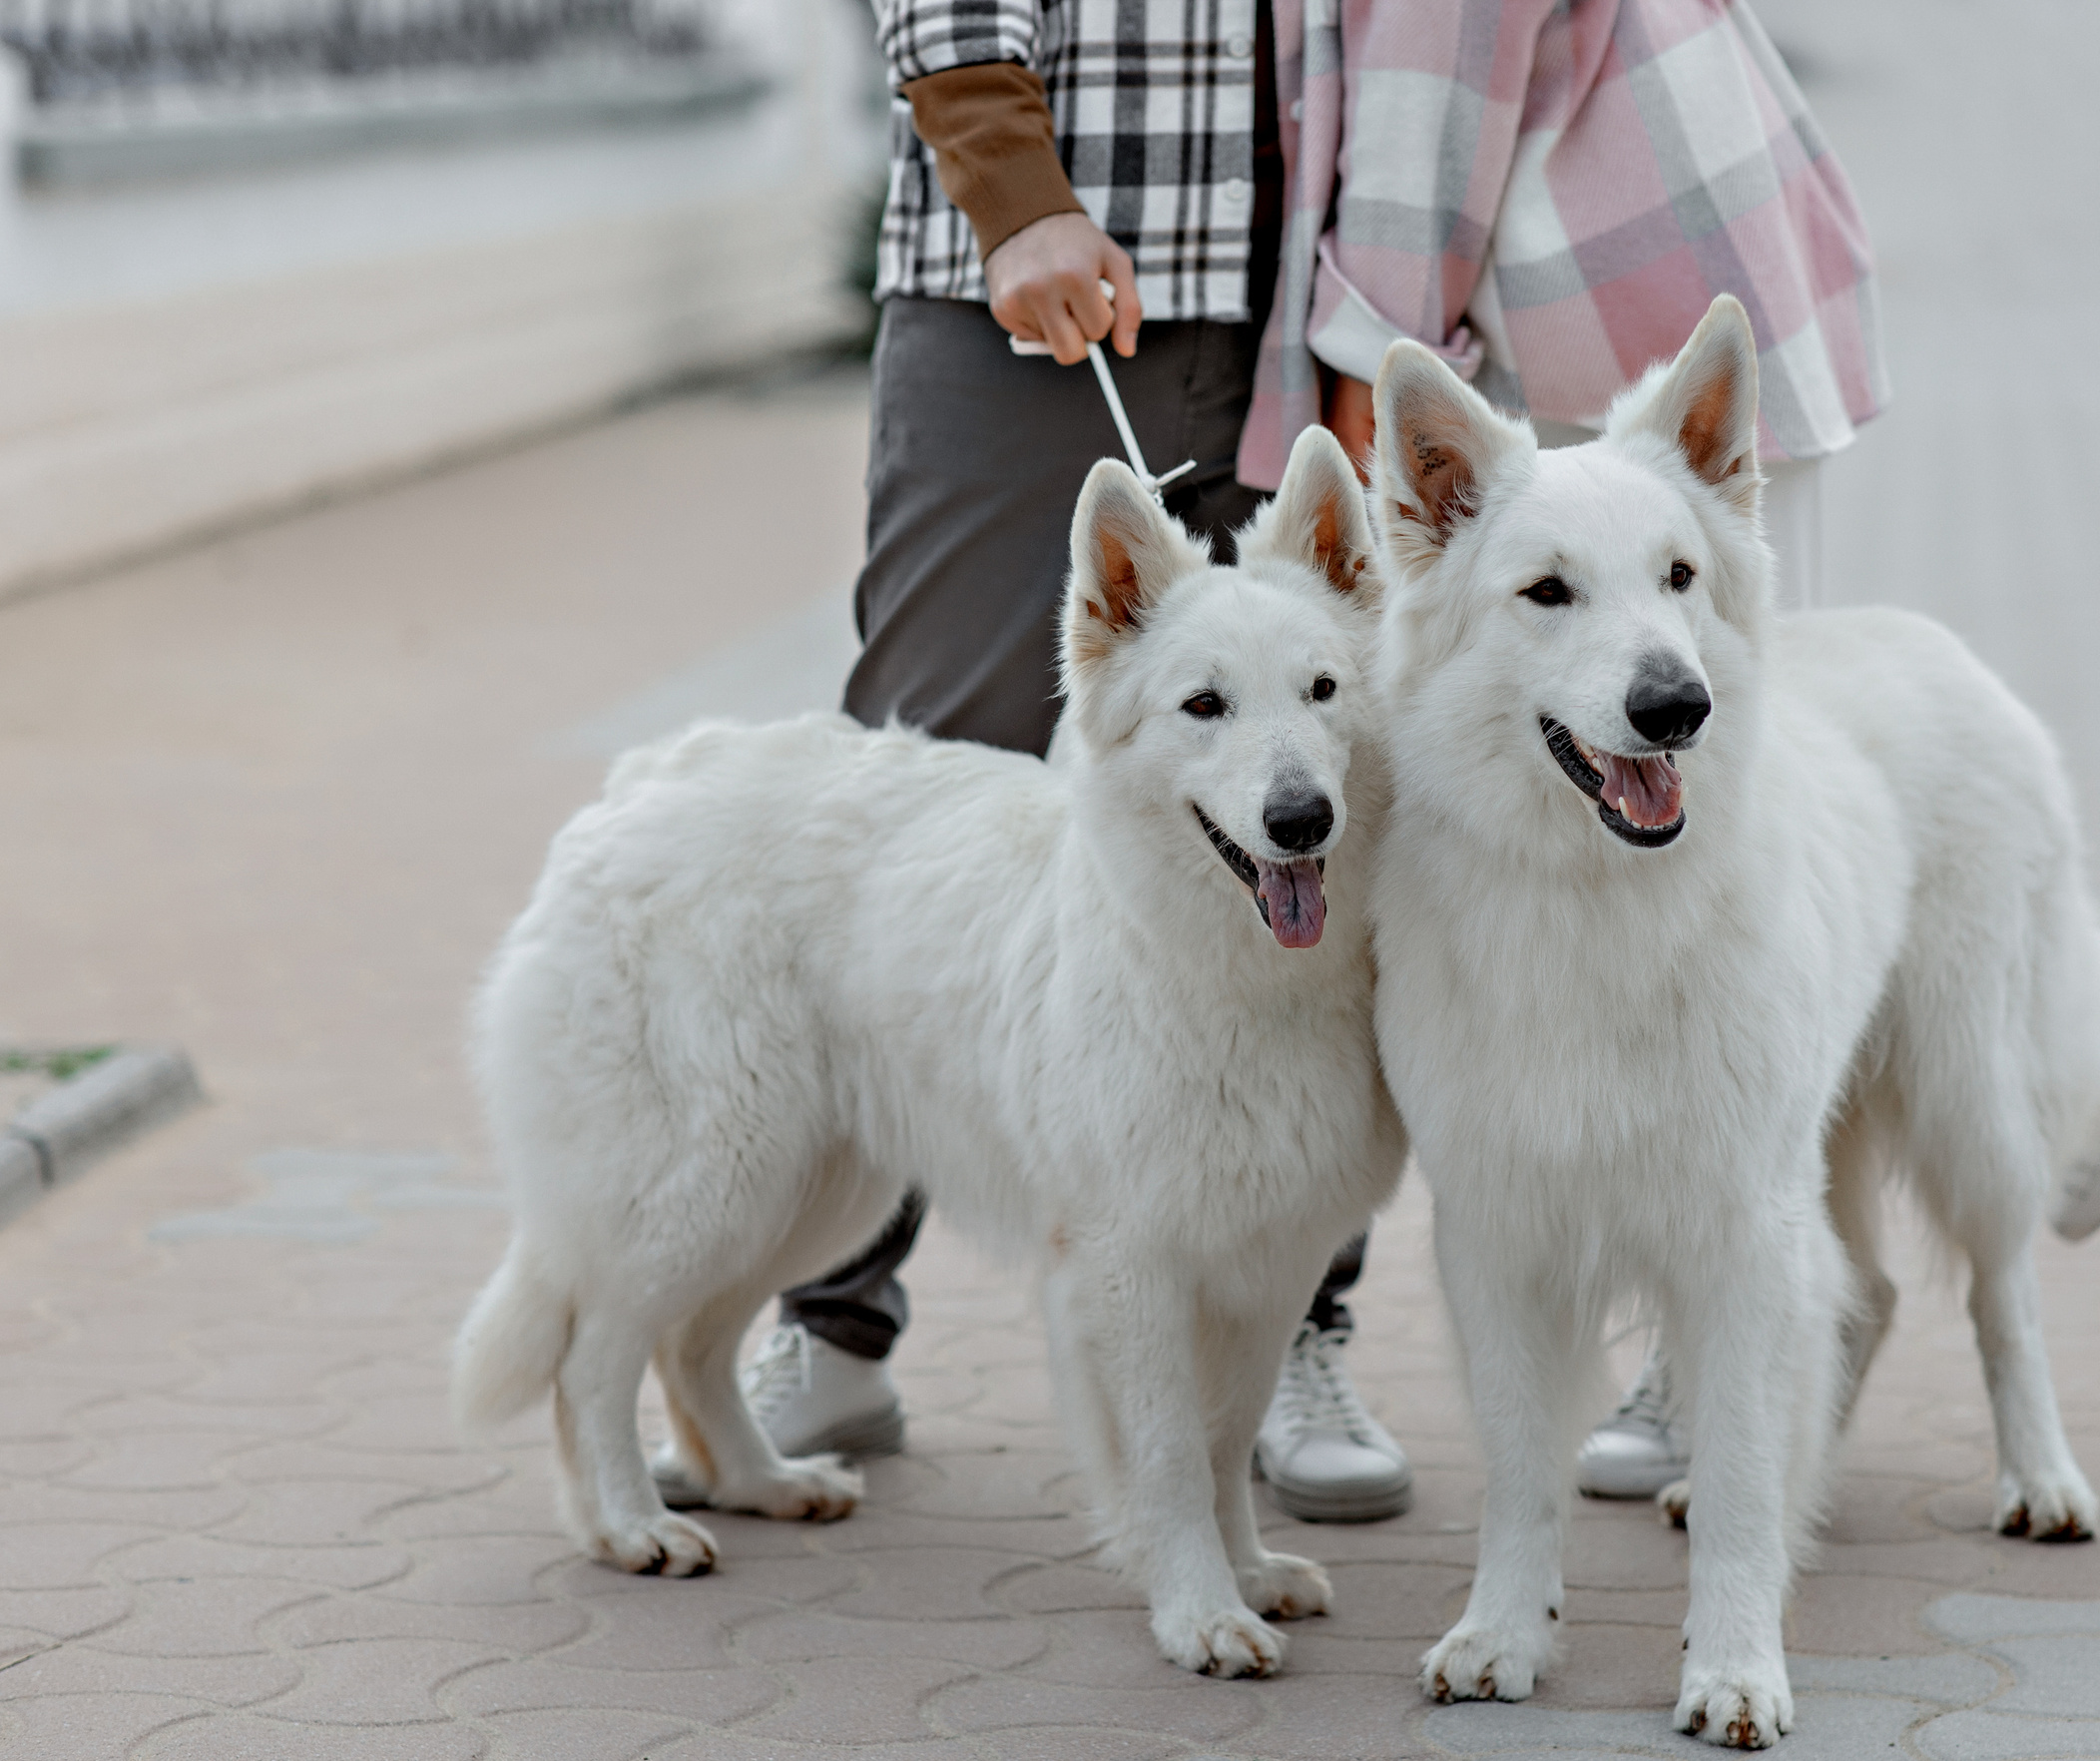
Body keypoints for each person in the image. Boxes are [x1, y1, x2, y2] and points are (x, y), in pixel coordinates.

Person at [716, 0, 1418, 1526]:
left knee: (1318, 808)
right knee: (931, 761)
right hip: (1028, 277)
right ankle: (833, 1321)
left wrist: (1395, 306)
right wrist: (1012, 184)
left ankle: (1290, 1330)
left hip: (1310, 292)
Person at [1236, 0, 1892, 1499]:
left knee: (1726, 834)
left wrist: (1363, 359)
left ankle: (1708, 1329)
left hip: (1595, 299)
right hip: (1689, 236)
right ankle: (1705, 1319)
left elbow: (1429, 76)